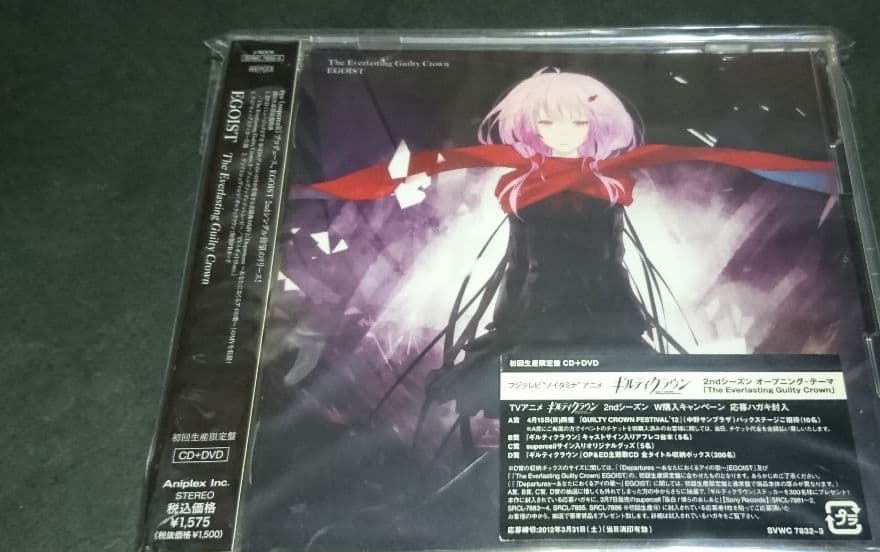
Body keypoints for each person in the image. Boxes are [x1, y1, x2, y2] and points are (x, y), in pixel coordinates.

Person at [309, 68, 834, 448]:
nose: (563, 133)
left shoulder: (611, 178)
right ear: (529, 127)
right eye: (548, 123)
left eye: (576, 123)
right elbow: (507, 246)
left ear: (595, 125)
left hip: (605, 301)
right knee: (528, 400)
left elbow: (708, 155)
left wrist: (827, 172)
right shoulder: (519, 181)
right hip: (532, 303)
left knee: (617, 392)